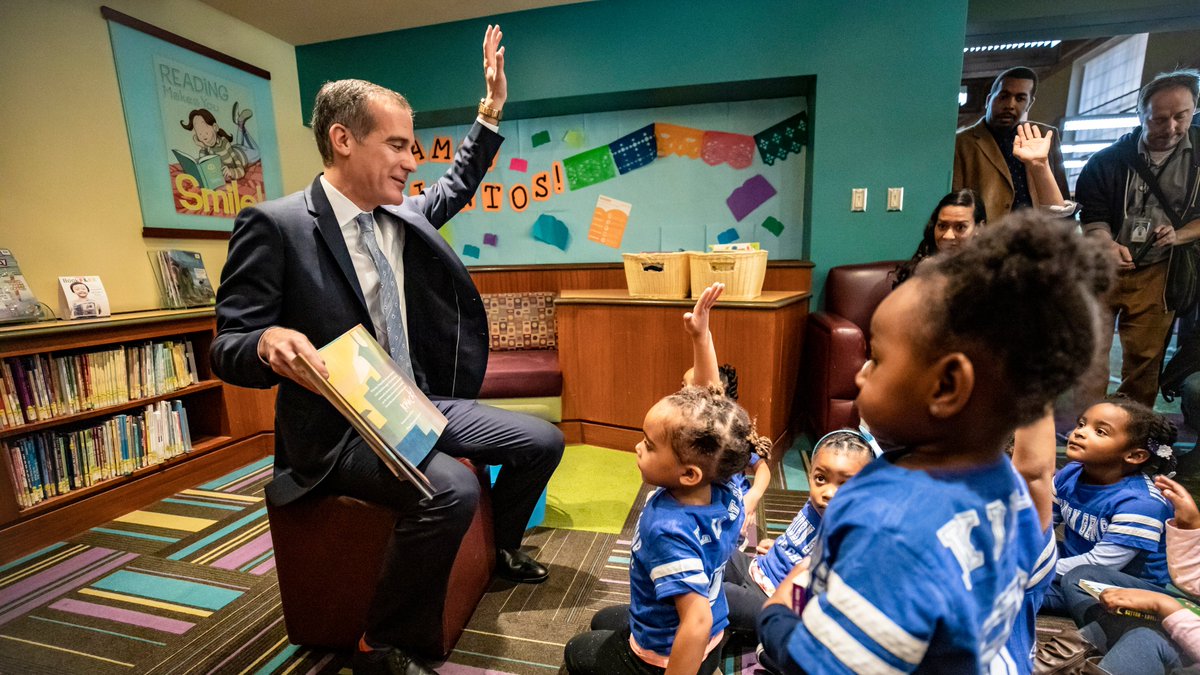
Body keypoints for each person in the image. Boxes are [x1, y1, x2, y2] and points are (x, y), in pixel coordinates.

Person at [210, 26, 564, 675]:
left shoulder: (401, 213)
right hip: (342, 426)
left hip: (416, 400)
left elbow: (457, 182)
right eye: (398, 144)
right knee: (452, 489)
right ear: (343, 139)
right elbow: (227, 344)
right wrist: (267, 340)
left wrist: (489, 111)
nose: (411, 160)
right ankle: (381, 641)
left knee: (542, 440)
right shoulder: (277, 224)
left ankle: (502, 549)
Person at [757, 211, 1114, 673]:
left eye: (877, 357)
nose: (861, 372)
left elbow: (826, 666)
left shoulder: (889, 527)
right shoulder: (1005, 485)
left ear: (946, 387)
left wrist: (778, 614)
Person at [562, 386, 771, 675]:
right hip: (712, 634)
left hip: (666, 656)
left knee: (576, 651)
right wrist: (702, 339)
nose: (638, 447)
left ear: (688, 474)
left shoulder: (667, 530)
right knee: (602, 620)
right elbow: (713, 424)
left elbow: (696, 622)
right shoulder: (723, 487)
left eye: (648, 445)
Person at [1076, 69, 1200, 408]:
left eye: (1181, 117)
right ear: (1140, 114)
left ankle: (1131, 429)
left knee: (1145, 359)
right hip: (1104, 269)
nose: (1171, 128)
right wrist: (1105, 242)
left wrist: (1180, 235)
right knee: (1092, 350)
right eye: (1159, 119)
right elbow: (1092, 215)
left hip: (1160, 270)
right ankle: (1086, 423)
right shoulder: (1105, 162)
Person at [722, 430, 873, 642]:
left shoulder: (852, 535)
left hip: (772, 600)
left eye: (845, 484)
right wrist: (783, 546)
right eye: (821, 478)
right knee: (709, 554)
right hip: (756, 567)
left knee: (711, 593)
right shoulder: (817, 504)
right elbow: (806, 538)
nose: (828, 492)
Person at [1041, 398, 1178, 616]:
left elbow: (1101, 565)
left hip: (1115, 589)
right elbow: (1043, 524)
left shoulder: (1141, 504)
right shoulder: (1070, 473)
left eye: (1100, 431)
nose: (1079, 432)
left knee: (1008, 591)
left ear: (1135, 455)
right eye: (1082, 424)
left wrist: (1029, 571)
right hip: (1070, 567)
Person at [1058, 474, 1200, 675]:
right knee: (1081, 577)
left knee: (1145, 638)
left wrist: (1165, 607)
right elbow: (1192, 582)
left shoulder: (1142, 503)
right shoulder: (1071, 475)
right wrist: (1190, 527)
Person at [682, 282, 770, 539]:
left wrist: (751, 497)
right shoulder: (683, 424)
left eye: (692, 387)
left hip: (734, 505)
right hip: (708, 506)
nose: (685, 393)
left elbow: (762, 468)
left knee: (744, 542)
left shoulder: (730, 431)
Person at [954, 67, 1071, 221]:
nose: (1010, 104)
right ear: (989, 100)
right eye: (1003, 96)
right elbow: (955, 201)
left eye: (1020, 98)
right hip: (987, 237)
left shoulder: (1045, 136)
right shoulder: (962, 142)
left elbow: (1061, 197)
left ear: (1029, 104)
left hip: (1037, 234)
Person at [894, 188, 988, 286]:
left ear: (980, 228)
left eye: (960, 227)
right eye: (942, 226)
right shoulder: (922, 270)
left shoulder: (991, 275)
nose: (948, 236)